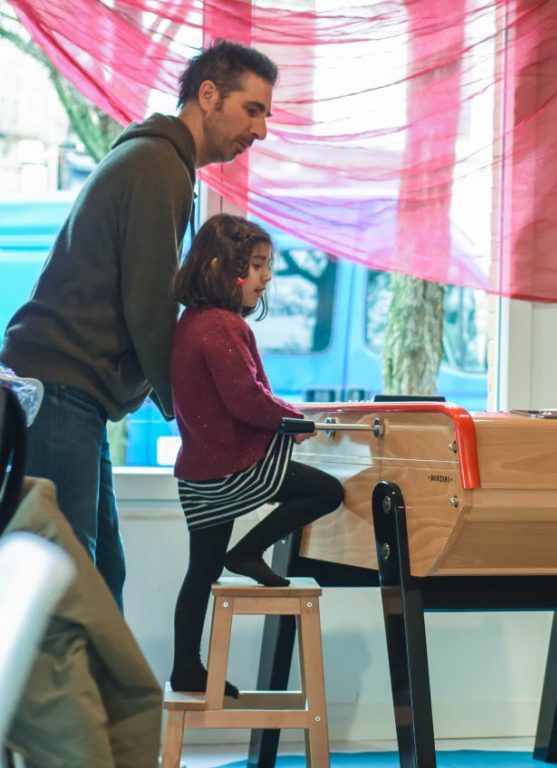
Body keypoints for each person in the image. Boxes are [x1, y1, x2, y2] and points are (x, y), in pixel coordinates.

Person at [0, 40, 278, 608]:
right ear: (208, 96)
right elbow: (149, 302)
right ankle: (60, 700)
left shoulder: (159, 162)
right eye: (253, 109)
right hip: (58, 390)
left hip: (71, 392)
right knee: (71, 583)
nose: (261, 130)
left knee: (100, 576)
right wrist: (196, 407)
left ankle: (106, 700)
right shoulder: (158, 167)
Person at [169, 214, 344, 695]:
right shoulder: (221, 327)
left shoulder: (193, 322)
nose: (266, 277)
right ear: (226, 268)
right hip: (230, 469)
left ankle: (186, 667)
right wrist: (294, 420)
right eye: (259, 265)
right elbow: (245, 397)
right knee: (326, 492)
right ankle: (247, 550)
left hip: (199, 472)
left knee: (200, 571)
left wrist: (285, 418)